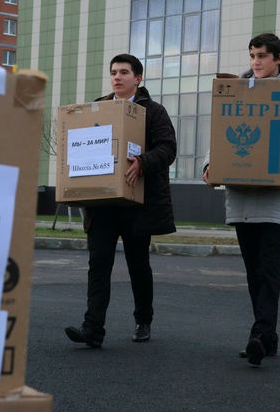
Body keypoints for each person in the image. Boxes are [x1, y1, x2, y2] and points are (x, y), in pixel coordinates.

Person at [202, 33, 280, 366]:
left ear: (279, 58)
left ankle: (260, 335)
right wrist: (210, 164)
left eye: (262, 56)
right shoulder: (237, 91)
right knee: (254, 271)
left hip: (277, 193)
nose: (256, 62)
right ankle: (267, 337)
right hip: (240, 195)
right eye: (252, 55)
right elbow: (220, 133)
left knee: (268, 269)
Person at [65, 54, 177, 348]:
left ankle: (143, 319)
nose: (117, 77)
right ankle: (93, 329)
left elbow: (168, 148)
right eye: (113, 72)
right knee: (98, 265)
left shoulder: (154, 112)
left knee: (138, 265)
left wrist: (142, 161)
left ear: (138, 79)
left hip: (136, 205)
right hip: (101, 205)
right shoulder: (95, 109)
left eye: (124, 72)